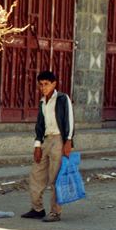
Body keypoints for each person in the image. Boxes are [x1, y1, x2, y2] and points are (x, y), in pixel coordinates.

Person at [22, 70, 74, 222]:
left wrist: (68, 141)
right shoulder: (42, 102)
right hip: (46, 140)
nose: (43, 87)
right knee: (36, 174)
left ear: (54, 84)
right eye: (41, 84)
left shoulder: (63, 99)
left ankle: (55, 212)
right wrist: (37, 145)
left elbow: (69, 120)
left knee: (55, 177)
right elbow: (40, 125)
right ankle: (37, 208)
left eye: (46, 84)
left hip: (59, 140)